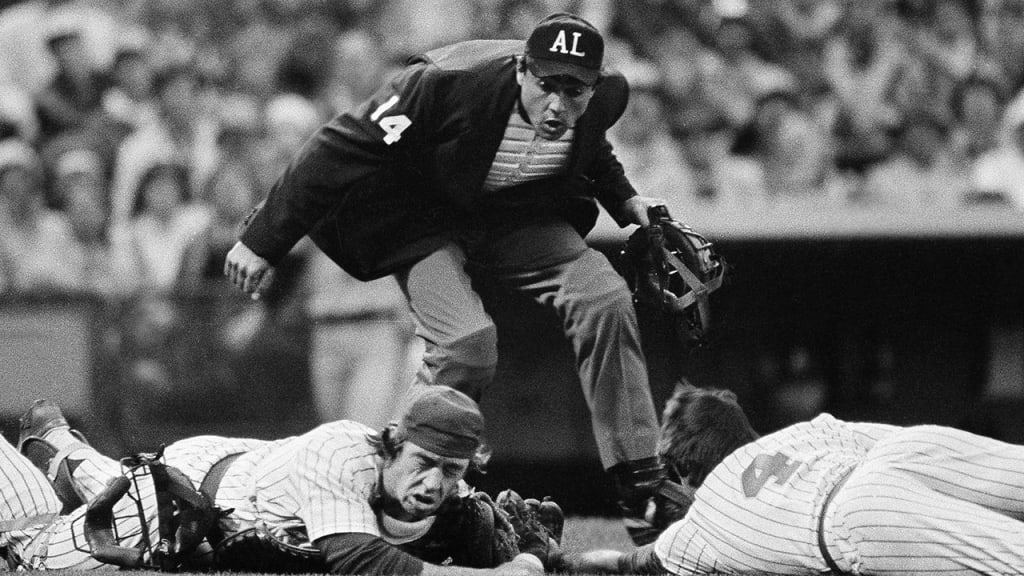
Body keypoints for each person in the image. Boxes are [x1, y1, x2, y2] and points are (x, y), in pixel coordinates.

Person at [223, 12, 673, 540]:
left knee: (605, 294)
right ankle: (396, 486)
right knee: (467, 342)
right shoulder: (445, 83)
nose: (557, 105)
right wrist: (263, 240)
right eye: (546, 85)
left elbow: (590, 146)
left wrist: (627, 202)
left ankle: (640, 485)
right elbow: (339, 145)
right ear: (521, 71)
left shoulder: (601, 101)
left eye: (574, 91)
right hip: (423, 220)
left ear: (593, 88)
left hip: (509, 215)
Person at [4, 387, 556, 575]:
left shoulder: (449, 493)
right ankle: (43, 454)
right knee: (30, 550)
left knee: (110, 477)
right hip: (191, 496)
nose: (435, 482)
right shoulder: (343, 450)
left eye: (452, 470)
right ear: (391, 443)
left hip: (248, 469)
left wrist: (535, 553)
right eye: (423, 462)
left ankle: (57, 441)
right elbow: (364, 563)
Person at [561, 382, 1024, 576]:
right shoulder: (801, 432)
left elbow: (626, 565)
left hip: (856, 512)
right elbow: (895, 446)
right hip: (910, 450)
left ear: (684, 470)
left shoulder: (702, 520)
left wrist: (551, 557)